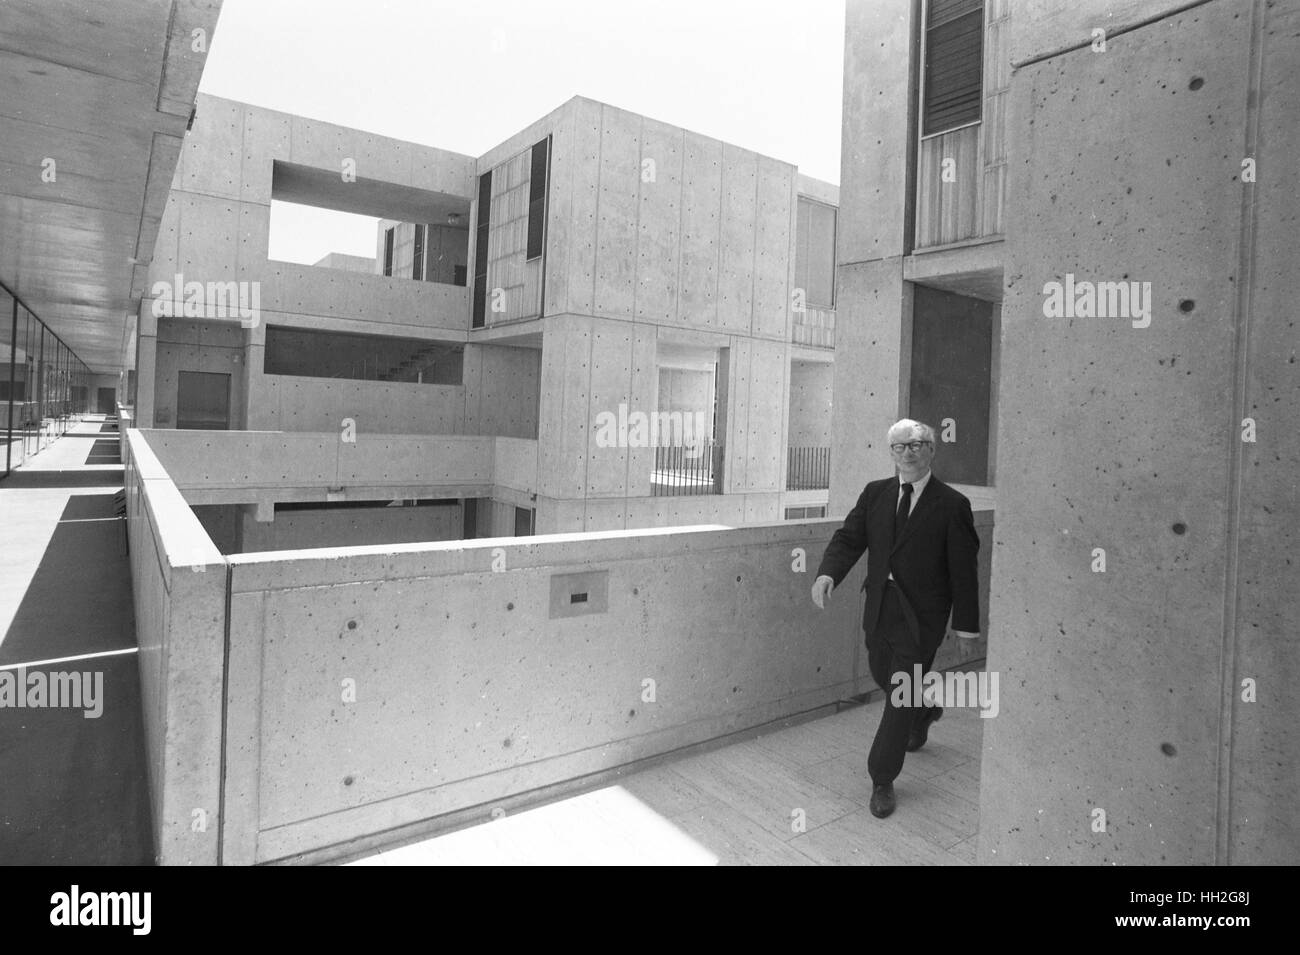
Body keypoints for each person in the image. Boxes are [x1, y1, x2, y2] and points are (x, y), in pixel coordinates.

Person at [810, 418, 981, 818]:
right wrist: (827, 573)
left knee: (899, 693)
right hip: (880, 609)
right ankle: (923, 712)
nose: (909, 451)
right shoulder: (876, 494)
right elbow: (850, 538)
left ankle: (882, 777)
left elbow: (963, 570)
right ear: (891, 453)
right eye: (900, 446)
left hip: (922, 617)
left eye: (918, 444)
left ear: (932, 450)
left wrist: (966, 626)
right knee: (885, 675)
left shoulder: (952, 504)